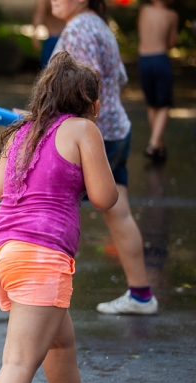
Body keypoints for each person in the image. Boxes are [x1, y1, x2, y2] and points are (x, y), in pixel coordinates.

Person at [0, 51, 116, 383]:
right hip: (39, 258)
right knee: (19, 362)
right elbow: (106, 197)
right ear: (89, 101)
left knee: (60, 342)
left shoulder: (23, 130)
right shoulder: (82, 130)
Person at [51, 0, 158, 315]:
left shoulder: (81, 27)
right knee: (119, 211)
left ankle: (18, 287)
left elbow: (83, 86)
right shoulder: (99, 24)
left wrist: (49, 125)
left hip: (91, 134)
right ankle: (141, 295)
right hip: (115, 129)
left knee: (44, 202)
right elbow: (118, 79)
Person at [138, 0, 178, 161]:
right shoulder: (171, 15)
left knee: (152, 103)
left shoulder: (144, 10)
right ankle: (154, 143)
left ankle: (159, 146)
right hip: (160, 59)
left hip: (143, 59)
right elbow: (171, 42)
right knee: (164, 104)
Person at [32, 0, 65, 68]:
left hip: (55, 37)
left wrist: (34, 36)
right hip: (60, 36)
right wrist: (35, 36)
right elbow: (39, 15)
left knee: (48, 70)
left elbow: (39, 15)